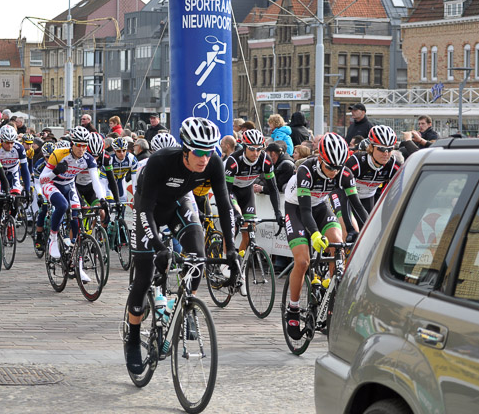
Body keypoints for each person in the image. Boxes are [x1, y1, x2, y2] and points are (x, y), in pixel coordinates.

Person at [124, 117, 239, 374]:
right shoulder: (160, 162)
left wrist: (230, 249)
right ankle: (132, 338)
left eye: (209, 152)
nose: (204, 159)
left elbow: (224, 205)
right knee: (143, 275)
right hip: (149, 210)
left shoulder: (213, 163)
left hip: (178, 204)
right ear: (185, 149)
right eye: (198, 152)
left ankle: (188, 306)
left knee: (197, 256)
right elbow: (145, 209)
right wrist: (158, 246)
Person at [282, 133, 369, 340]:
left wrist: (369, 231)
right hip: (296, 209)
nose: (334, 172)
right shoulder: (306, 171)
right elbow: (304, 212)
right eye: (330, 167)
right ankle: (293, 309)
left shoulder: (343, 173)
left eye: (338, 168)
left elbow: (358, 206)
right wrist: (314, 235)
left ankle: (331, 293)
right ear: (320, 159)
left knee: (338, 245)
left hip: (320, 206)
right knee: (303, 261)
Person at [39, 127, 108, 265]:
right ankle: (52, 238)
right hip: (52, 184)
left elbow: (96, 181)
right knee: (63, 205)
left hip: (69, 185)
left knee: (77, 217)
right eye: (78, 145)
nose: (81, 149)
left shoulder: (88, 159)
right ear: (72, 144)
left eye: (84, 146)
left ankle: (75, 260)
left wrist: (102, 199)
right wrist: (55, 172)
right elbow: (42, 179)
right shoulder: (59, 154)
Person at [225, 129, 285, 262]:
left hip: (247, 191)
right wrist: (234, 213)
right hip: (231, 192)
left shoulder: (265, 160)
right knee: (233, 226)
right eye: (252, 149)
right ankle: (225, 262)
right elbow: (226, 191)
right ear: (245, 147)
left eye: (259, 149)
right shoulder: (234, 161)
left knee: (249, 231)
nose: (255, 153)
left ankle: (238, 262)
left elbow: (273, 188)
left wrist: (278, 213)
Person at [344, 125, 401, 213]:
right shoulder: (357, 162)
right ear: (371, 147)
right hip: (347, 197)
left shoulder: (393, 165)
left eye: (389, 149)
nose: (386, 153)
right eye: (381, 149)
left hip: (368, 197)